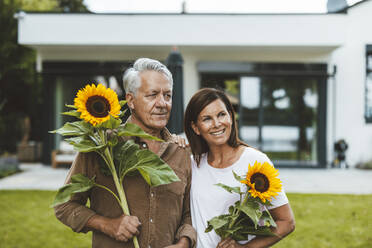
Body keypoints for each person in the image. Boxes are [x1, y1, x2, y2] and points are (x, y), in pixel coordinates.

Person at [54, 58, 196, 248]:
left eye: (167, 95)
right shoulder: (102, 146)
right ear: (131, 100)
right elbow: (64, 206)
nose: (162, 103)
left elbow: (189, 213)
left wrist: (184, 243)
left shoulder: (181, 152)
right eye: (152, 95)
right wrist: (107, 225)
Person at [184, 88, 295, 248]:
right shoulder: (192, 164)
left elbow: (287, 222)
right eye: (207, 119)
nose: (217, 124)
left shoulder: (255, 161)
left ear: (231, 116)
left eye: (221, 114)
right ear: (196, 128)